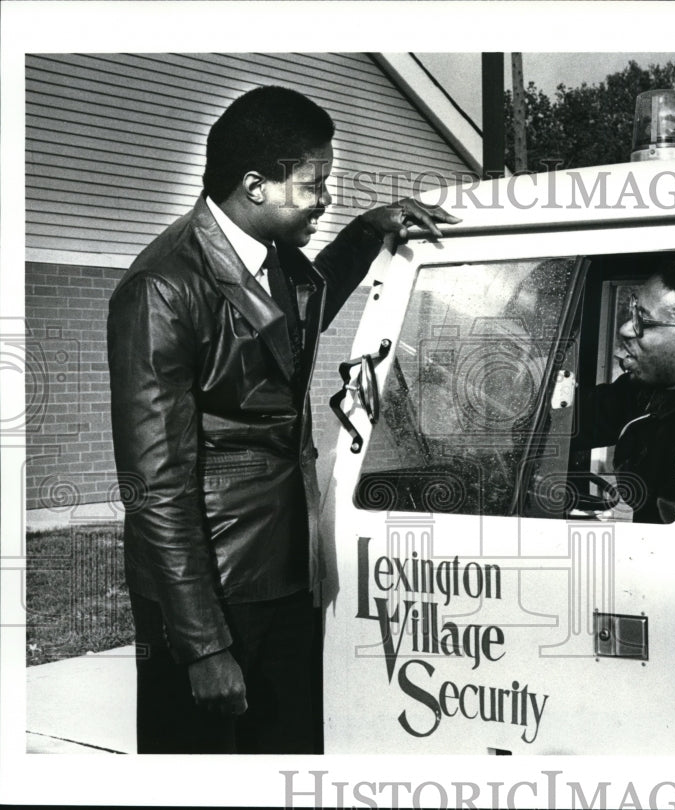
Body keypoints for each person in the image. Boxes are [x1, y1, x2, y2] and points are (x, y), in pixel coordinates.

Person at [107, 85, 457, 754]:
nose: (326, 197)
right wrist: (203, 645)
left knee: (289, 764)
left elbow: (281, 334)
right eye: (315, 183)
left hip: (287, 574)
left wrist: (369, 231)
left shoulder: (279, 265)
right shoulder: (162, 288)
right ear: (255, 185)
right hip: (211, 590)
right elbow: (155, 487)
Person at [572, 257, 675, 523]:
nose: (625, 329)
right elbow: (577, 420)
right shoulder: (645, 391)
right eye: (633, 312)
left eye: (645, 322)